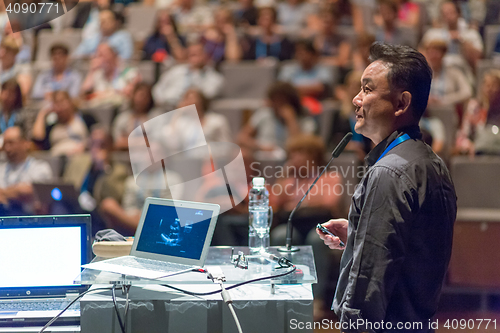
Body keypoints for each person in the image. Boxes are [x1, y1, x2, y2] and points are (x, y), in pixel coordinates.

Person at [316, 43, 457, 331]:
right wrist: (359, 233)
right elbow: (413, 248)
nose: (356, 99)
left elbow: (368, 285)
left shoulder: (389, 172)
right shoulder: (430, 161)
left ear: (401, 103)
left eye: (367, 89)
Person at [63, 126, 129, 235]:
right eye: (93, 144)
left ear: (111, 148)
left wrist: (104, 168)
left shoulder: (118, 170)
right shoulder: (78, 162)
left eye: (102, 145)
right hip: (75, 206)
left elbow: (114, 197)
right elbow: (66, 186)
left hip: (97, 213)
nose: (96, 149)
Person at [238, 82, 316, 153]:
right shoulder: (263, 114)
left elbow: (300, 147)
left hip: (290, 159)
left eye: (282, 100)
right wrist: (261, 147)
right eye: (275, 100)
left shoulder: (305, 120)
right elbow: (241, 138)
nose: (278, 104)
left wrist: (291, 120)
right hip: (263, 157)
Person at [0, 126, 53, 215]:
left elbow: (28, 192)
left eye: (11, 143)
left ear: (25, 143)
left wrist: (3, 194)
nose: (7, 148)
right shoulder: (1, 168)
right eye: (5, 144)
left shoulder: (40, 168)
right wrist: (16, 192)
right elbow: (21, 193)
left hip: (30, 219)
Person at [152, 42, 224, 107]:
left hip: (194, 113)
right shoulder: (175, 71)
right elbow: (158, 88)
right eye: (191, 54)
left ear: (206, 56)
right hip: (167, 108)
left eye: (197, 54)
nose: (193, 57)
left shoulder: (214, 77)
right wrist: (161, 102)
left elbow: (207, 95)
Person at [32, 91, 88, 156]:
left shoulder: (85, 118)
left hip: (81, 157)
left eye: (62, 101)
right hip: (56, 160)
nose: (60, 107)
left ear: (70, 102)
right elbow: (38, 140)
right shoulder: (51, 126)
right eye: (56, 103)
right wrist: (42, 114)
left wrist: (85, 147)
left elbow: (96, 137)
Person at [423, 39, 472, 109]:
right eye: (430, 52)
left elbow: (467, 93)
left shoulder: (454, 73)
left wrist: (444, 100)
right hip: (427, 112)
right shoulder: (423, 73)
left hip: (447, 111)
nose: (432, 56)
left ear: (443, 54)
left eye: (436, 53)